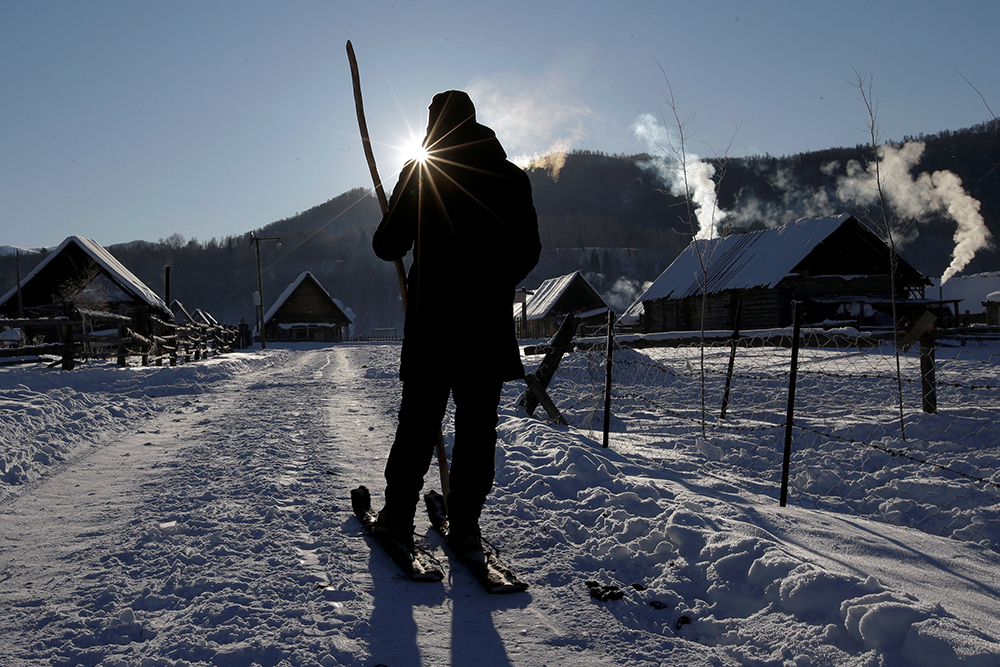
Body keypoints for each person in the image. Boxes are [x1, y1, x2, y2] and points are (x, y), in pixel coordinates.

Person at [371, 90, 541, 552]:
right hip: (486, 328)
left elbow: (387, 246)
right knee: (476, 427)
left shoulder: (422, 171)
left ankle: (396, 516)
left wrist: (396, 208)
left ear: (434, 126)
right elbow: (528, 251)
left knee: (419, 422)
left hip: (434, 327)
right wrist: (490, 280)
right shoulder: (511, 178)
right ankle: (465, 524)